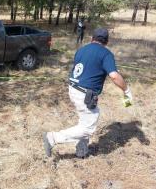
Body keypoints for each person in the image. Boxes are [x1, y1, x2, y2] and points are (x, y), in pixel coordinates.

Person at [43, 28, 133, 158]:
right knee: (88, 127)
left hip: (73, 88)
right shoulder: (106, 54)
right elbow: (114, 76)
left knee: (85, 120)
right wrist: (126, 90)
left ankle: (82, 150)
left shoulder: (81, 50)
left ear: (92, 38)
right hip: (84, 93)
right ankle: (53, 138)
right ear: (107, 41)